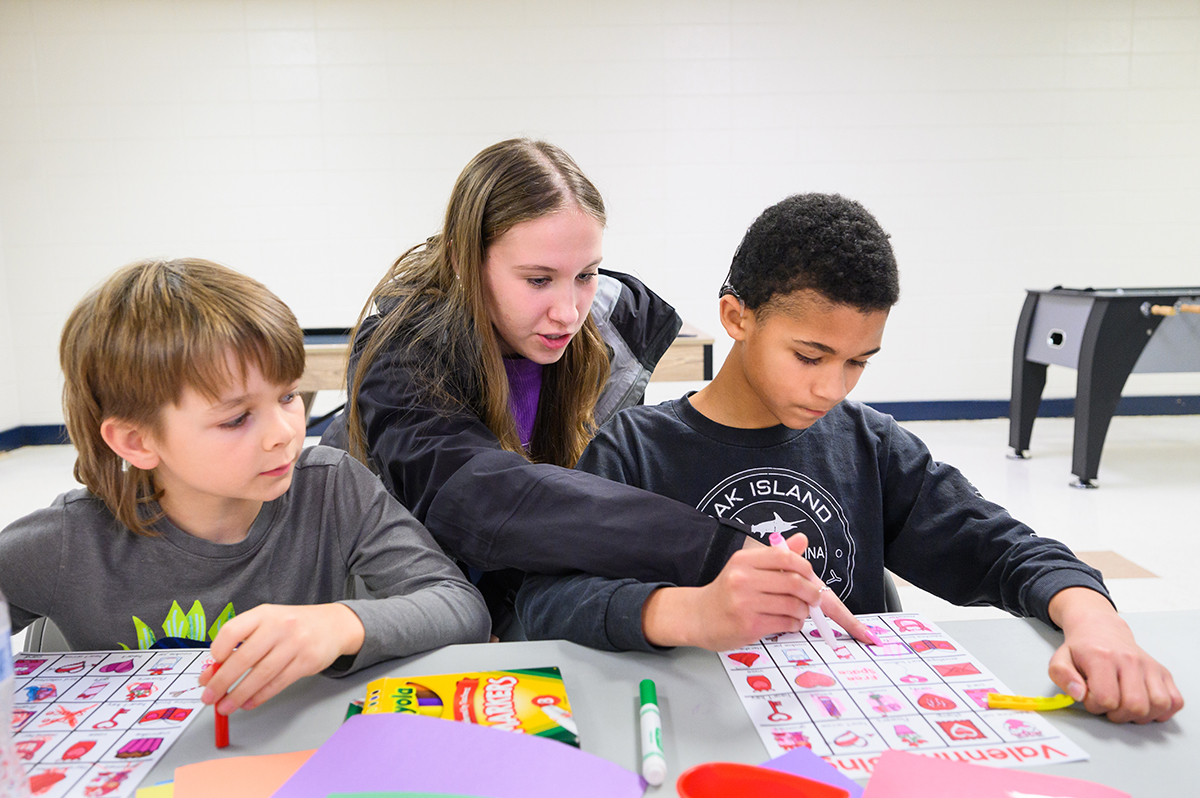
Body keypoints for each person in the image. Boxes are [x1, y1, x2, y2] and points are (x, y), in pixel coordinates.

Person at [517, 193, 1184, 725]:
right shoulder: (634, 450)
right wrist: (689, 612)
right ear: (737, 317)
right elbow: (548, 601)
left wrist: (1096, 623)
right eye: (809, 356)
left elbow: (1006, 551)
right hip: (699, 723)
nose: (832, 388)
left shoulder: (869, 445)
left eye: (858, 361)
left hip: (848, 721)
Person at [325, 138, 842, 639]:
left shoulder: (611, 337)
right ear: (466, 261)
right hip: (408, 613)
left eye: (585, 275)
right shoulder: (403, 355)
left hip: (518, 604)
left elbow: (574, 508)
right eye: (537, 280)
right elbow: (484, 500)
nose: (568, 313)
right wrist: (714, 549)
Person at [0, 258, 490, 718]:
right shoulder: (67, 542)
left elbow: (460, 605)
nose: (285, 432)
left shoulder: (331, 488)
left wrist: (342, 624)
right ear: (136, 440)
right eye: (236, 419)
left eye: (289, 395)